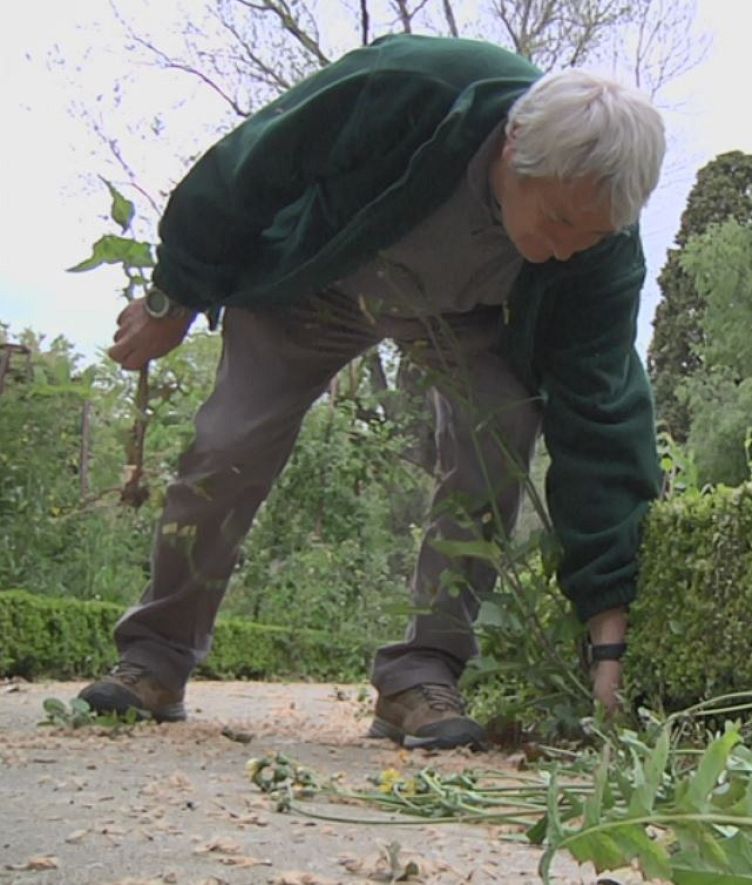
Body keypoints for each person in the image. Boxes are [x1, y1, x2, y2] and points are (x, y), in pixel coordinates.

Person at [76, 33, 667, 750]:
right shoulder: (414, 88)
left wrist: (610, 626)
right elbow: (249, 166)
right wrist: (176, 294)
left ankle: (423, 669)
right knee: (228, 442)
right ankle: (156, 655)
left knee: (502, 432)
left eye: (593, 235)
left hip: (464, 315)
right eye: (560, 222)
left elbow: (601, 415)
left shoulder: (597, 250)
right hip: (318, 279)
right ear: (514, 148)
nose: (573, 247)